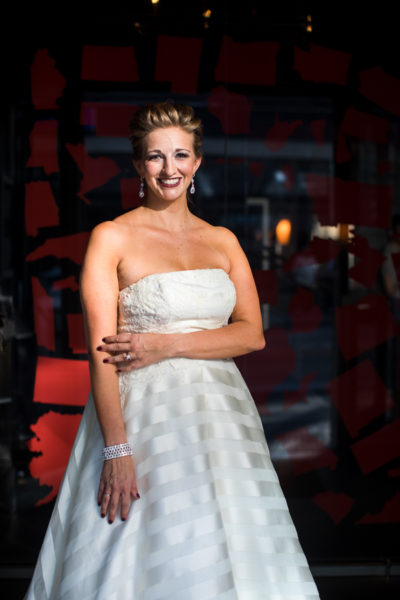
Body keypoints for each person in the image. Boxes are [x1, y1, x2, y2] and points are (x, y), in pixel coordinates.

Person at [25, 102, 320, 599]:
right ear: (139, 165)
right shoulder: (111, 237)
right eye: (156, 157)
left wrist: (164, 345)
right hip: (143, 421)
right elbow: (101, 353)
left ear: (198, 162)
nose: (169, 169)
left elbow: (251, 334)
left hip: (222, 421)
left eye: (180, 155)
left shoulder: (223, 241)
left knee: (232, 546)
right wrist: (117, 449)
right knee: (143, 547)